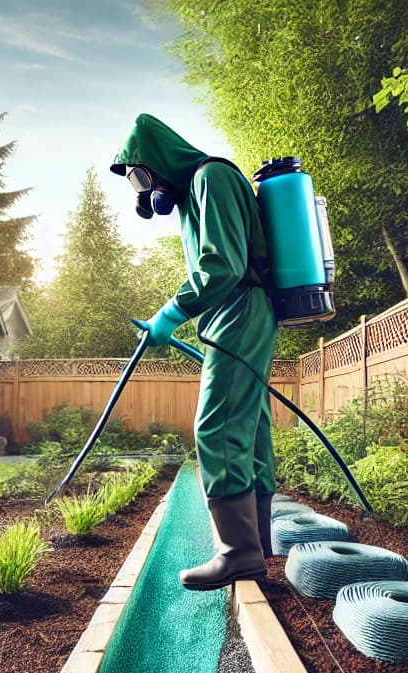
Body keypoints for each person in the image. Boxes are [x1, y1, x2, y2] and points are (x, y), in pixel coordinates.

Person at [111, 113, 277, 591]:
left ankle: (237, 552)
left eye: (141, 175)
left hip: (240, 308)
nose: (143, 190)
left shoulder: (211, 178)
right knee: (249, 425)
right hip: (240, 311)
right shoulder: (198, 191)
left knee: (217, 425)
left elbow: (221, 266)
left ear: (160, 159)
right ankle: (257, 543)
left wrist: (169, 314)